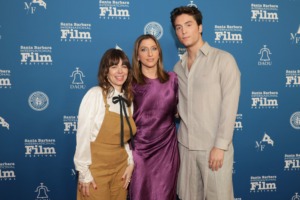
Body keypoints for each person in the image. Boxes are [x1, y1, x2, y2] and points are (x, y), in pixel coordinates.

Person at [170, 6, 241, 200]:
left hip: (213, 149)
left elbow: (229, 106)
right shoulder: (178, 67)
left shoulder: (224, 60)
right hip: (185, 147)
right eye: (178, 27)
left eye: (188, 25)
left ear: (200, 27)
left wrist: (220, 146)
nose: (183, 31)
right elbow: (179, 107)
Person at [74, 48, 136, 200]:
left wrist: (130, 162)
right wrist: (84, 173)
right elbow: (83, 136)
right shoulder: (95, 94)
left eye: (124, 66)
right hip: (96, 170)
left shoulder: (128, 100)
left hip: (121, 169)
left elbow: (125, 140)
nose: (120, 71)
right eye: (114, 66)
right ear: (105, 71)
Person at [129, 34, 180, 200]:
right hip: (140, 150)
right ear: (138, 56)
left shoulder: (172, 79)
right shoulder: (130, 83)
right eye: (144, 50)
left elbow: (180, 111)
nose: (150, 54)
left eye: (153, 48)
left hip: (167, 149)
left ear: (159, 53)